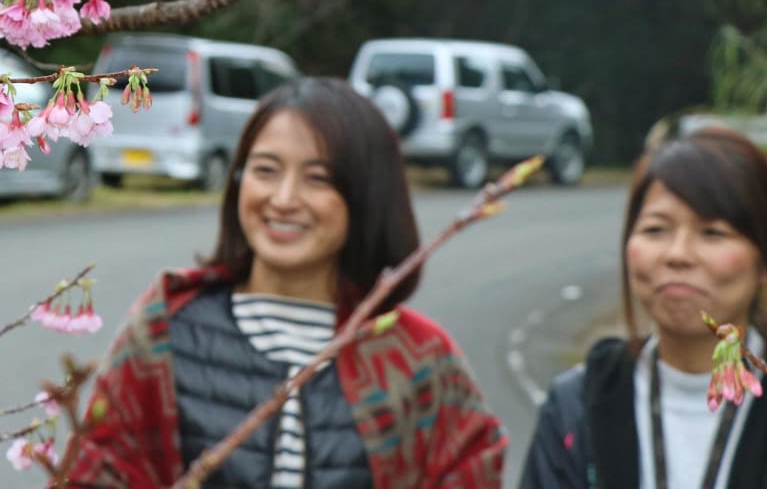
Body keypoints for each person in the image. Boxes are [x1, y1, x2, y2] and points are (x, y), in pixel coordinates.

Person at [64, 77, 506, 489]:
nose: (284, 199)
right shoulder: (165, 331)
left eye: (317, 178)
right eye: (265, 170)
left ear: (367, 197)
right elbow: (94, 472)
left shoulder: (420, 358)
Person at [520, 126, 767, 489]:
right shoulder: (577, 404)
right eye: (655, 230)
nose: (677, 254)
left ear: (766, 261)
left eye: (713, 233)